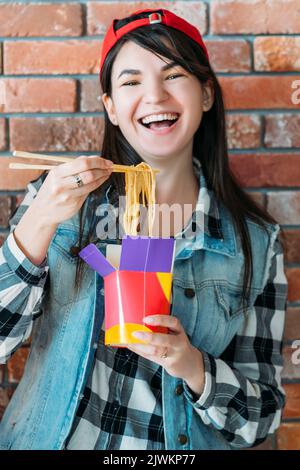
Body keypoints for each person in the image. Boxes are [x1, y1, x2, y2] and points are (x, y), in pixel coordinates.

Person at [0, 8, 287, 450]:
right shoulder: (59, 203)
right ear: (111, 108)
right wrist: (38, 222)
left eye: (173, 76)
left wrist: (193, 366)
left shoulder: (255, 244)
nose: (154, 96)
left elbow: (262, 418)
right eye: (132, 82)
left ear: (206, 94)